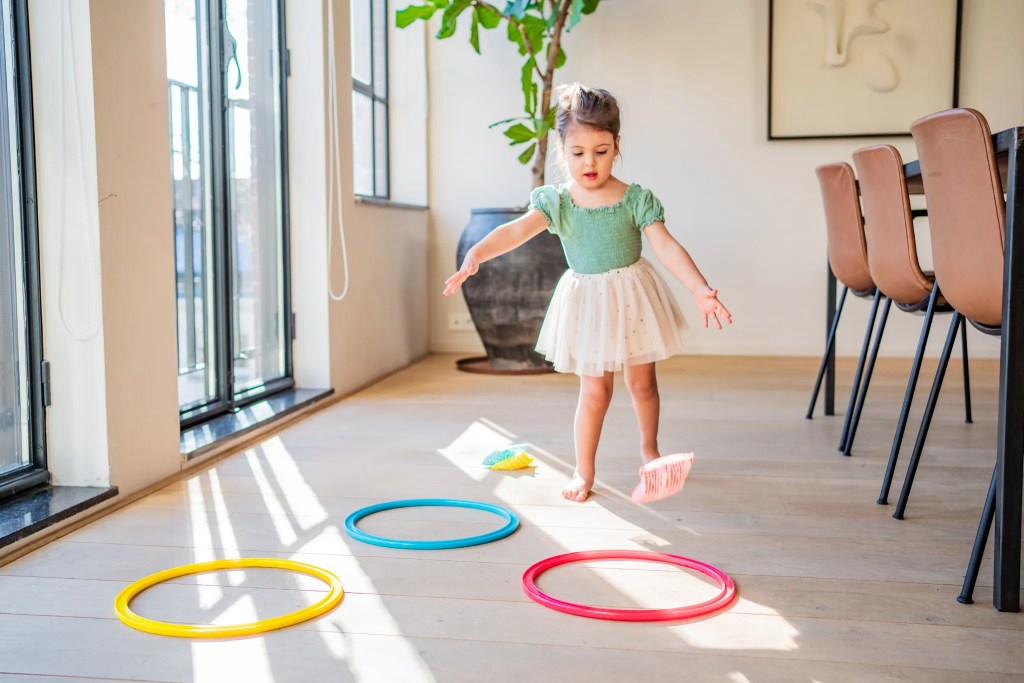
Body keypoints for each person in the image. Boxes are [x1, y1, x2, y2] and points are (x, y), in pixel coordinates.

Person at [444, 83, 732, 502]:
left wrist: (699, 288)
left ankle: (650, 453)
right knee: (595, 391)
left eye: (601, 151)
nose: (590, 162)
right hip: (589, 305)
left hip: (634, 299)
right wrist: (477, 254)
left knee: (643, 385)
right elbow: (516, 231)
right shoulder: (557, 202)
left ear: (617, 146)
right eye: (578, 153)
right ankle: (584, 471)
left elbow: (666, 246)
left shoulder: (634, 199)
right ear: (562, 151)